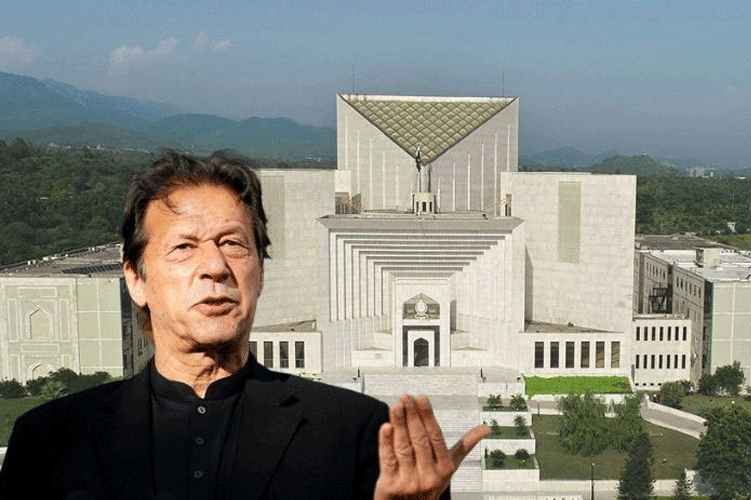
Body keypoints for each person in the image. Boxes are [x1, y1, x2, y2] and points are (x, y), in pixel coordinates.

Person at [0, 150, 489, 499]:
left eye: (233, 244)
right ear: (136, 279)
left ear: (260, 272)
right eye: (184, 247)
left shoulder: (359, 433)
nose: (215, 267)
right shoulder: (50, 441)